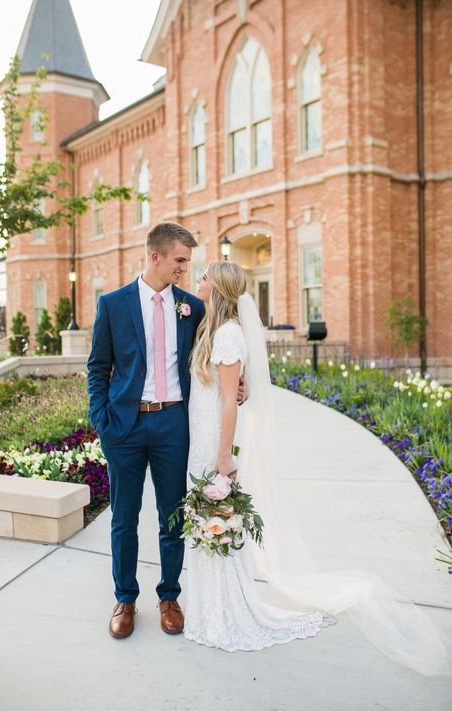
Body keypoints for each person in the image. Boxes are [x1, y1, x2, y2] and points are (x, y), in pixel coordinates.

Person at [184, 260, 452, 677]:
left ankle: (225, 611)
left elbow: (225, 403)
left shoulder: (228, 333)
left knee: (217, 522)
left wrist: (223, 456)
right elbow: (223, 390)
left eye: (203, 276)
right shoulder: (211, 329)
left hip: (212, 444)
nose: (196, 280)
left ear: (216, 287)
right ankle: (210, 607)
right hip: (200, 438)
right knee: (210, 523)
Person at [87, 222, 204, 639]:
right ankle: (125, 598)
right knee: (124, 517)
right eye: (179, 260)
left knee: (172, 515)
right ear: (155, 257)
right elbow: (98, 366)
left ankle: (169, 596)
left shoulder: (192, 307)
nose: (184, 269)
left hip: (174, 422)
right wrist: (101, 418)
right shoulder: (113, 304)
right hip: (125, 425)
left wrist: (236, 384)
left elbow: (204, 361)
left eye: (187, 262)